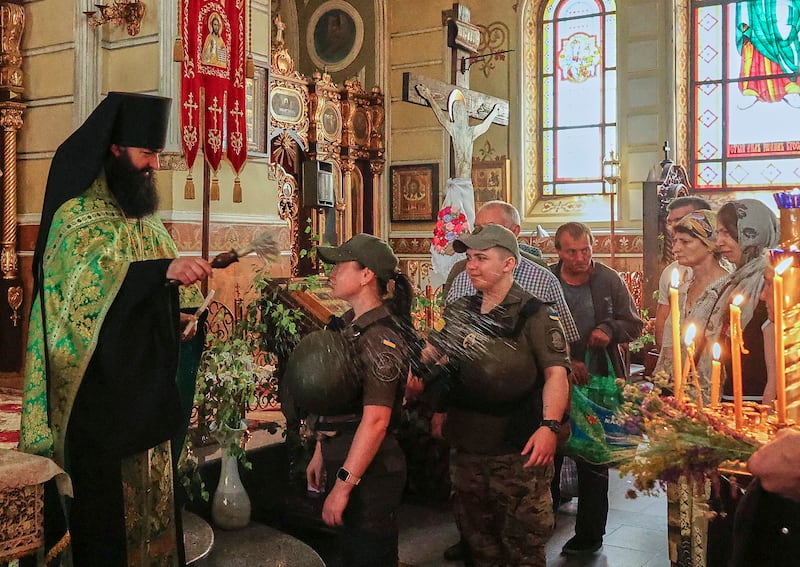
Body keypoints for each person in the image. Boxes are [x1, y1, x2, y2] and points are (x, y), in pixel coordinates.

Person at [19, 92, 212, 566]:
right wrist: (161, 274)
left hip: (148, 410)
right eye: (146, 154)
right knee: (107, 538)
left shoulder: (148, 225)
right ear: (115, 150)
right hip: (100, 411)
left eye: (154, 156)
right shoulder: (75, 219)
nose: (152, 166)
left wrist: (185, 317)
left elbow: (170, 297)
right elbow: (82, 294)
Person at [421, 224, 570, 566]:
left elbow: (556, 375)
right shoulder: (462, 310)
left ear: (508, 264)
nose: (471, 265)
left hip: (516, 451)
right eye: (470, 258)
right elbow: (430, 355)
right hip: (468, 448)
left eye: (481, 258)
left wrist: (549, 426)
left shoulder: (536, 315)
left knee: (522, 545)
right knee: (477, 542)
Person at [305, 234, 415, 567]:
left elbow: (376, 420)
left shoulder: (380, 338)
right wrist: (321, 450)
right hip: (348, 462)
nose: (332, 274)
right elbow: (340, 403)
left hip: (373, 475)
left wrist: (343, 487)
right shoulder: (351, 328)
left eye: (340, 265)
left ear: (366, 275)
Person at [549, 222, 643, 556]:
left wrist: (607, 328)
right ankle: (547, 512)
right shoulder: (548, 281)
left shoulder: (608, 280)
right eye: (572, 251)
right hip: (554, 381)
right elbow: (536, 329)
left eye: (586, 249)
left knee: (593, 458)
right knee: (552, 450)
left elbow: (634, 324)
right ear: (558, 251)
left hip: (598, 383)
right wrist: (566, 360)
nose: (580, 258)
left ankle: (590, 534)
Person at [653, 210, 733, 401]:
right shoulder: (682, 287)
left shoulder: (726, 289)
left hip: (710, 392)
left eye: (685, 242)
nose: (676, 249)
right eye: (675, 241)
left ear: (709, 245)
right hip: (676, 391)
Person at [714, 199, 778, 404]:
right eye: (718, 233)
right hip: (731, 395)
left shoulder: (770, 280)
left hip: (759, 403)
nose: (719, 242)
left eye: (727, 233)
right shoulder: (737, 280)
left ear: (752, 232)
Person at [654, 196, 711, 349]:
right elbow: (663, 319)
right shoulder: (671, 271)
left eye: (679, 220)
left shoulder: (725, 275)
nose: (672, 228)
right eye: (669, 222)